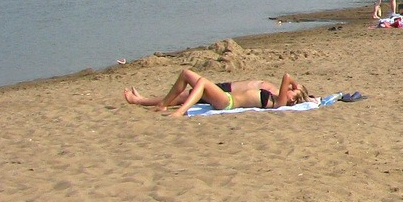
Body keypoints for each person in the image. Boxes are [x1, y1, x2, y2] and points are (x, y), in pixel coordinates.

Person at [124, 69, 311, 117]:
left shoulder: (279, 102)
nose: (289, 90)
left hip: (227, 102)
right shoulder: (275, 98)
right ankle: (162, 104)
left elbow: (286, 75)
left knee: (202, 82)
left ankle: (179, 111)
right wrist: (300, 92)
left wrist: (296, 86)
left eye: (293, 92)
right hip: (227, 98)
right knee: (186, 75)